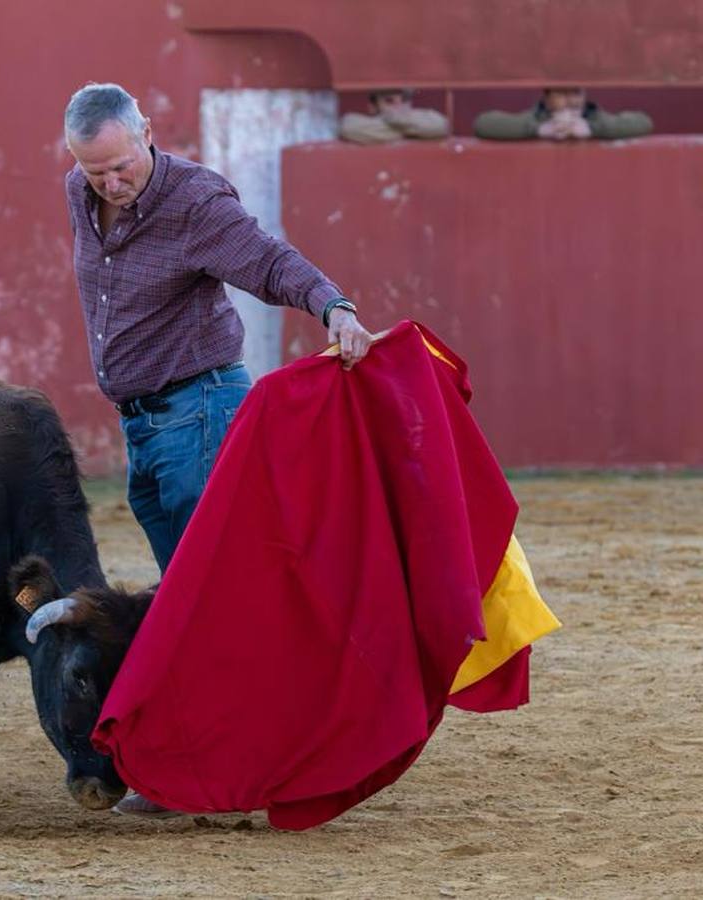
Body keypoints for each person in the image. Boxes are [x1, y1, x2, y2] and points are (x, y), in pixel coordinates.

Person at [62, 82, 378, 817]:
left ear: (148, 130)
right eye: (93, 171)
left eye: (121, 164)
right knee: (191, 603)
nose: (111, 182)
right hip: (144, 430)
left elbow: (268, 260)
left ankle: (236, 764)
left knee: (211, 606)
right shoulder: (77, 193)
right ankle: (214, 760)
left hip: (201, 417)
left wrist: (333, 306)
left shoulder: (196, 202)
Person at [473, 87, 653, 141]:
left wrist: (592, 129)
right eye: (561, 94)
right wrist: (540, 129)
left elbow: (644, 122)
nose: (570, 101)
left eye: (576, 93)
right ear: (547, 98)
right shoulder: (535, 117)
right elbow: (483, 123)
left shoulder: (594, 116)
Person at [339, 88, 451, 144]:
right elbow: (348, 126)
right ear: (373, 107)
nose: (399, 106)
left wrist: (395, 123)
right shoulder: (354, 122)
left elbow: (443, 126)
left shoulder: (430, 119)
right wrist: (408, 129)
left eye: (405, 100)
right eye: (389, 101)